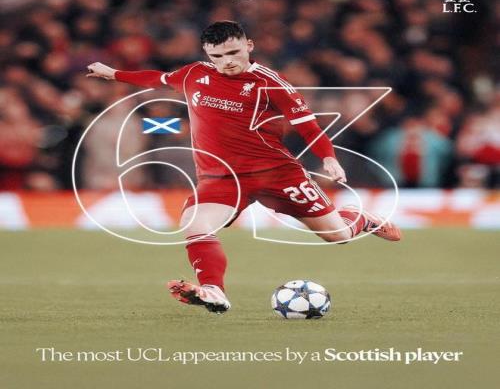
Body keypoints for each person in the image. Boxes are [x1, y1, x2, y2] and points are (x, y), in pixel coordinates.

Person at [87, 21, 401, 314]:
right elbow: (157, 79)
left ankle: (359, 218)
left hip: (278, 174)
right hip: (222, 177)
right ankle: (214, 290)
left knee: (338, 235)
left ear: (249, 45)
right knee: (195, 224)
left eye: (233, 52)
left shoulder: (271, 83)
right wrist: (114, 74)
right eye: (217, 56)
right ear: (207, 54)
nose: (227, 62)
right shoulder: (194, 74)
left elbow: (308, 126)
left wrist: (329, 158)